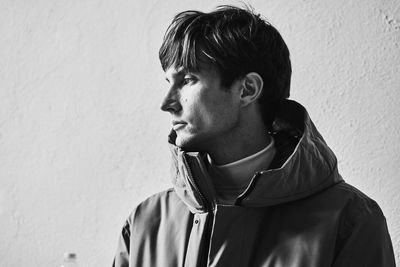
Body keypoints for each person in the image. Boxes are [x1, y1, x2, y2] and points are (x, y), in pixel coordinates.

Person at [113, 5, 395, 267]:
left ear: (247, 89)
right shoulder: (143, 223)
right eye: (168, 82)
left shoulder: (350, 220)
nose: (167, 103)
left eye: (187, 81)